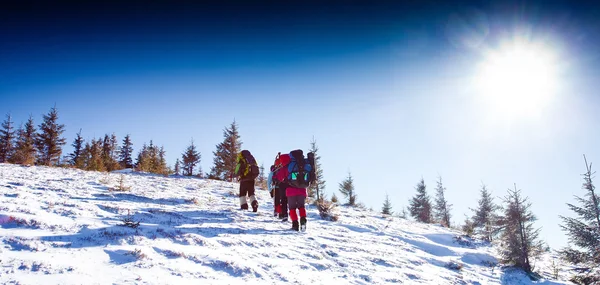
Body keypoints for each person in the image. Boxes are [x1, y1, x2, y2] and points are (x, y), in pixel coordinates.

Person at [274, 151, 307, 231]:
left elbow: (279, 177)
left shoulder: (288, 166)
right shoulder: (304, 164)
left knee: (292, 208)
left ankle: (295, 224)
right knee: (301, 207)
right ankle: (303, 219)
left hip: (291, 190)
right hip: (302, 190)